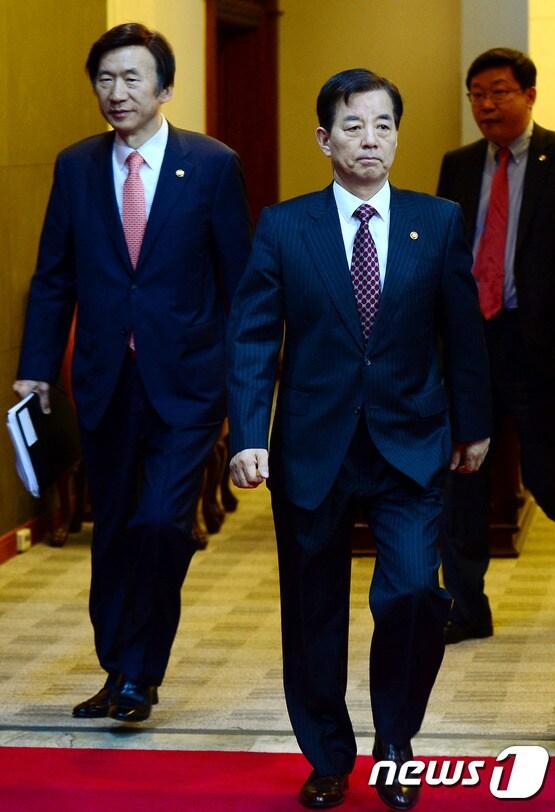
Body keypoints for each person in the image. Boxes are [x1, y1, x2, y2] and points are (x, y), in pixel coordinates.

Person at [227, 68, 491, 810]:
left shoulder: (435, 220)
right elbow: (251, 333)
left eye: (382, 125)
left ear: (397, 136)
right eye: (352, 125)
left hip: (411, 442)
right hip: (312, 448)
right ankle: (327, 755)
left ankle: (397, 739)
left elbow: (461, 332)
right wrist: (249, 431)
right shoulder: (285, 226)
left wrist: (474, 425)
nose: (369, 139)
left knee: (413, 592)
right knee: (313, 612)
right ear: (324, 138)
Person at [14, 22, 251, 723]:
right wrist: (34, 370)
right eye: (105, 80)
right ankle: (120, 668)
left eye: (131, 79)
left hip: (189, 386)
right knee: (114, 527)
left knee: (159, 524)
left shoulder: (212, 165)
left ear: (165, 88)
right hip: (105, 383)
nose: (116, 93)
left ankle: (141, 673)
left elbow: (239, 286)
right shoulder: (76, 166)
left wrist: (246, 393)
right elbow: (54, 276)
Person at [437, 48, 555, 645]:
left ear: (529, 95)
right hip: (471, 344)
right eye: (477, 94)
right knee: (463, 478)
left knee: (550, 473)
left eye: (499, 91)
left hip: (538, 346)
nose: (487, 104)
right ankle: (466, 605)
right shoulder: (457, 166)